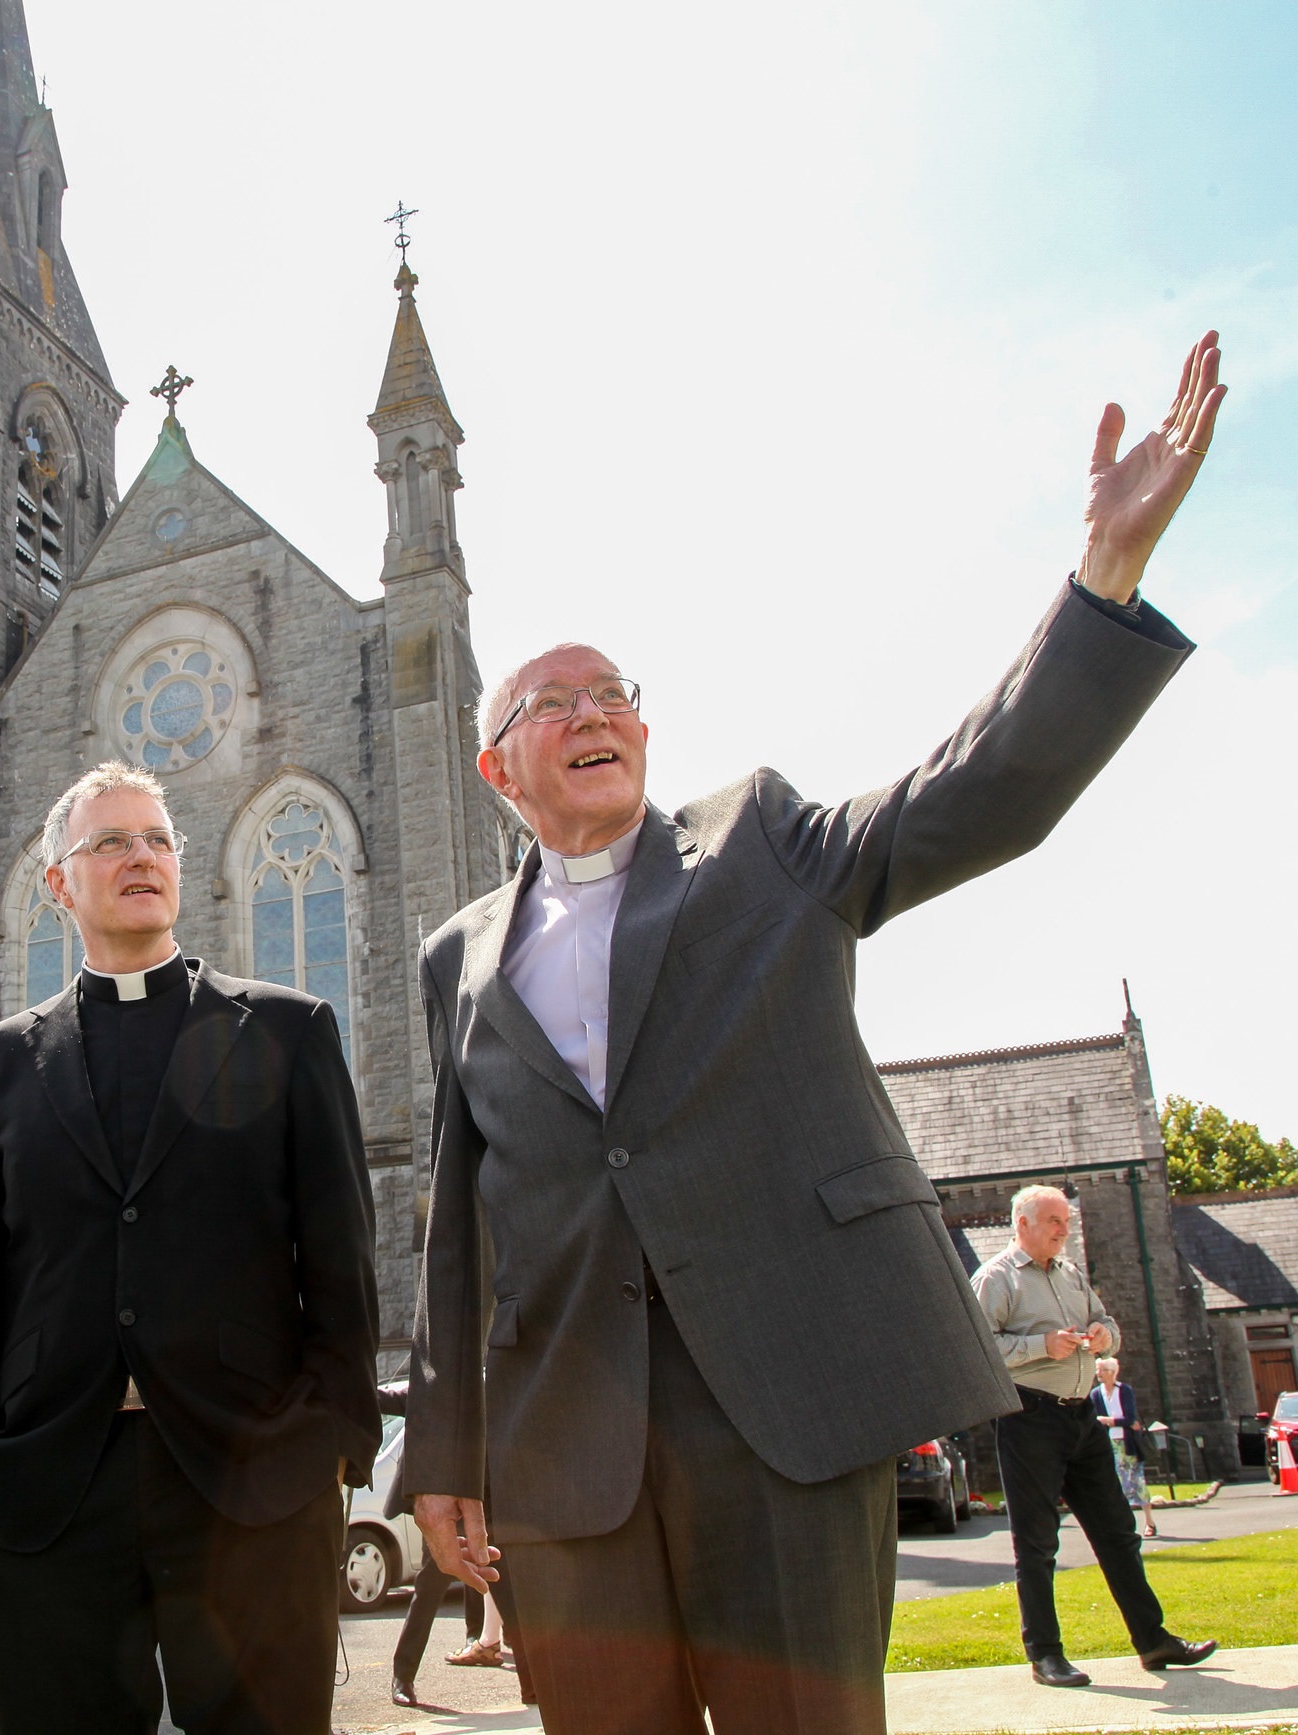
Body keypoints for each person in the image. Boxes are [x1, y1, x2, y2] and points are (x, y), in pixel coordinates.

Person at [404, 334, 1229, 1735]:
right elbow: (456, 1228)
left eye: (618, 691)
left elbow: (970, 797)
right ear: (498, 764)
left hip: (778, 1413)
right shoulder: (457, 954)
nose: (599, 710)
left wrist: (1100, 582)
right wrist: (442, 1448)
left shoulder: (762, 839)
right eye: (557, 699)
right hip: (567, 1452)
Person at [0, 763, 381, 1735]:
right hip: (52, 1490)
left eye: (157, 839)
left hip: (250, 1483)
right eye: (110, 841)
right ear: (59, 882)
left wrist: (330, 1440)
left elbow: (340, 1262)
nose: (141, 855)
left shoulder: (290, 1031)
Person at [973, 1187, 1213, 1686]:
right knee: (1037, 1543)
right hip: (1030, 1420)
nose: (1064, 1228)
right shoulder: (995, 1279)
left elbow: (1107, 1324)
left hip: (1083, 1419)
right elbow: (977, 1350)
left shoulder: (1071, 1272)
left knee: (1119, 1534)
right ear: (1022, 1222)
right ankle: (1045, 1655)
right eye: (1053, 1220)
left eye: (1066, 1219)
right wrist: (1042, 1345)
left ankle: (1153, 1643)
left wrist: (1104, 1335)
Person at [378, 1385, 532, 1712]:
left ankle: (533, 1684)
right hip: (442, 1505)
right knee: (429, 1588)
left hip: (484, 1502)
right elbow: (383, 1398)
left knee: (501, 1585)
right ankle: (402, 1678)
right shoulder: (436, 1387)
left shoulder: (494, 1388)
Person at [1092, 1357, 1158, 1539]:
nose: (1098, 1374)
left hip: (1128, 1444)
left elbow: (1130, 1418)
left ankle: (1149, 1522)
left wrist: (1110, 1420)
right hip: (1109, 1444)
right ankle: (1123, 1526)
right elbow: (1095, 1419)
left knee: (1137, 1481)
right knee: (1115, 1485)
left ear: (1111, 1372)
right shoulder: (1096, 1394)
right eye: (1097, 1370)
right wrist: (1113, 1421)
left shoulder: (1124, 1391)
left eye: (1102, 1370)